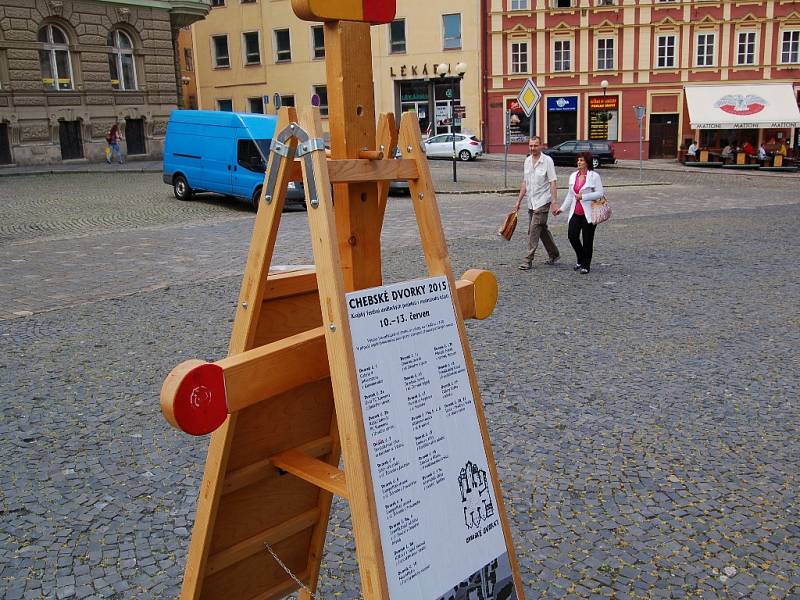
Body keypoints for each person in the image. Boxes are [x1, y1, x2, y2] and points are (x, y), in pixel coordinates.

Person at [554, 152, 604, 275]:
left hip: (589, 213)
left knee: (588, 240)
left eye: (581, 160)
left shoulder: (594, 176)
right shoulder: (573, 176)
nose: (579, 162)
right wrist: (562, 208)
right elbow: (570, 195)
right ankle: (581, 258)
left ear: (587, 162)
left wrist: (583, 196)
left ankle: (586, 265)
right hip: (575, 212)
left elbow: (600, 193)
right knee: (572, 236)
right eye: (578, 160)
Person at [513, 136, 559, 270]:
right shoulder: (527, 161)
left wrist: (554, 202)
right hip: (531, 202)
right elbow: (525, 182)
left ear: (541, 146)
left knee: (533, 230)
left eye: (535, 145)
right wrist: (518, 201)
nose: (533, 148)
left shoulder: (547, 161)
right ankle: (554, 254)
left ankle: (528, 260)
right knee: (541, 229)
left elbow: (553, 182)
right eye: (531, 146)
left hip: (543, 201)